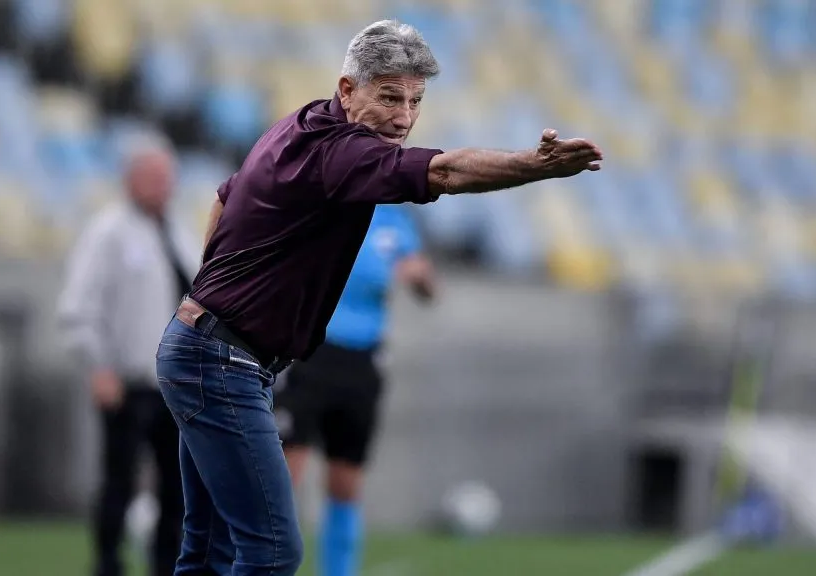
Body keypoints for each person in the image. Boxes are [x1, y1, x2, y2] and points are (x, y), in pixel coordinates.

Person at [155, 18, 603, 576]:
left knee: (209, 548)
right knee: (271, 551)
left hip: (208, 348)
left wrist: (213, 293)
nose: (404, 117)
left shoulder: (301, 122)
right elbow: (443, 170)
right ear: (348, 89)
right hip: (222, 361)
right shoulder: (345, 152)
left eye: (415, 100)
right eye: (390, 97)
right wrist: (532, 167)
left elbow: (225, 196)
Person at [57, 139, 200, 576]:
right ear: (130, 180)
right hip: (129, 380)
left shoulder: (177, 230)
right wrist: (99, 365)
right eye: (154, 178)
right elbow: (79, 308)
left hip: (174, 386)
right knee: (119, 479)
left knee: (176, 486)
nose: (163, 187)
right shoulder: (109, 232)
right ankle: (107, 562)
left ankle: (165, 564)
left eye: (167, 178)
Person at [274, 203, 435, 576]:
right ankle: (264, 566)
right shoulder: (328, 205)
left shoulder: (395, 221)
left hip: (362, 364)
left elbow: (426, 288)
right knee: (284, 475)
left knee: (345, 482)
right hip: (311, 354)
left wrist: (420, 276)